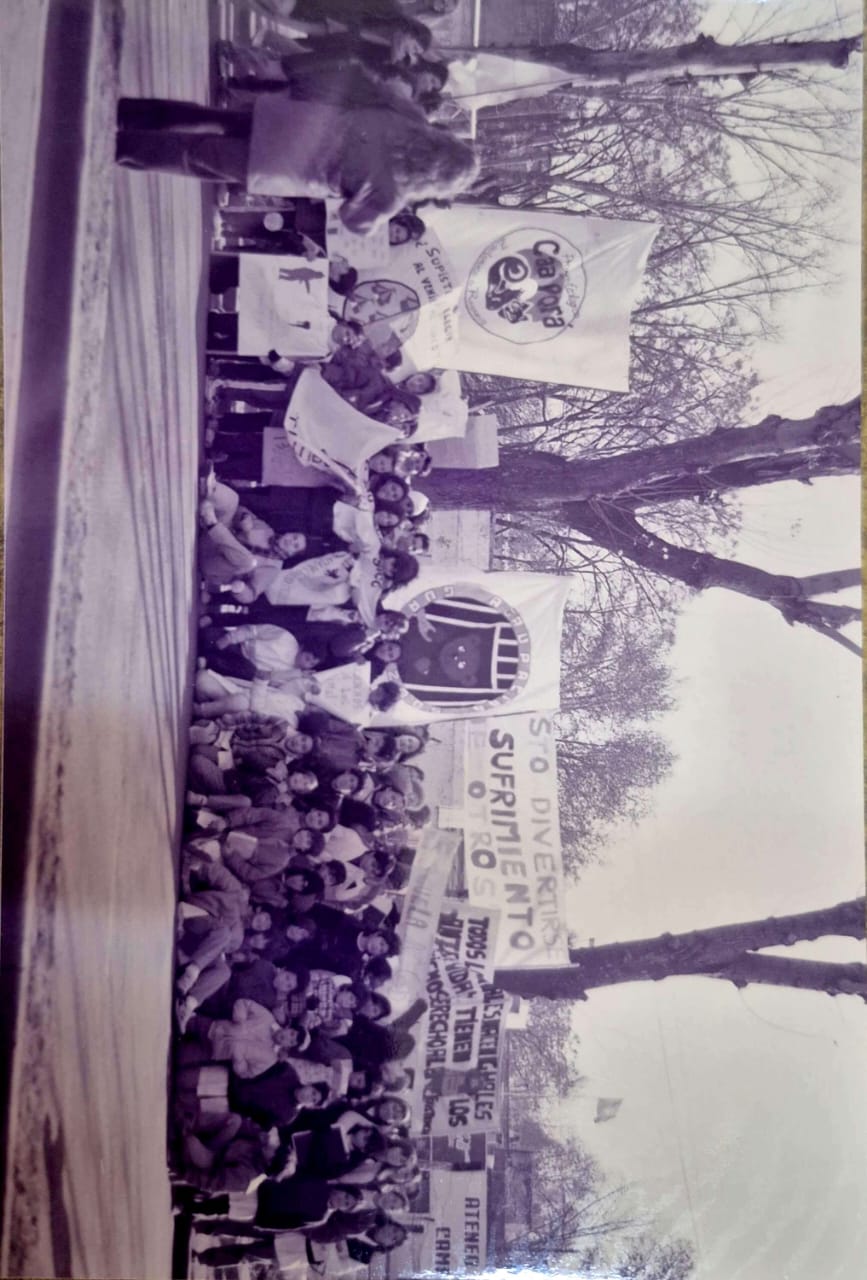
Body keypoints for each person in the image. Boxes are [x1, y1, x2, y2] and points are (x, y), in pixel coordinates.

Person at [115, 68, 479, 234]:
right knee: (193, 155)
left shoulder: (413, 118)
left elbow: (386, 88)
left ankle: (126, 111)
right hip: (283, 166)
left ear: (447, 142)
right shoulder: (392, 196)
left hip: (295, 123)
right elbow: (355, 222)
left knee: (211, 117)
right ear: (438, 185)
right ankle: (120, 147)